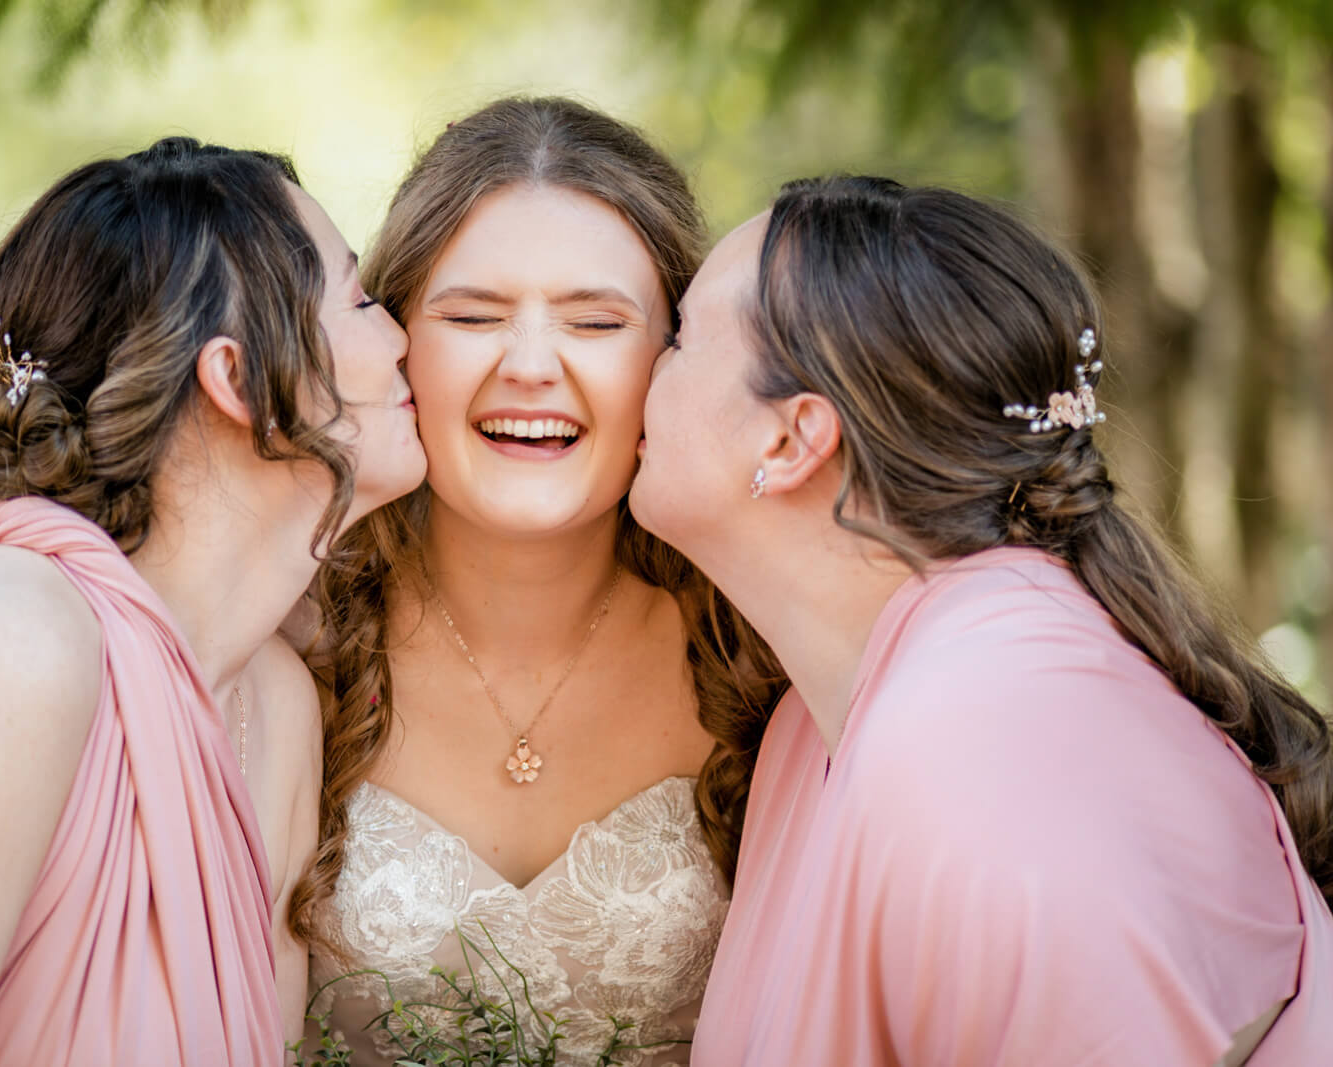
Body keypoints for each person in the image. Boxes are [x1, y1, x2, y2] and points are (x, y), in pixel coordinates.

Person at [0, 136, 425, 1066]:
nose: (402, 337)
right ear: (238, 381)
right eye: (363, 298)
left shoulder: (276, 709)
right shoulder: (0, 646)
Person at [631, 175, 1333, 1065]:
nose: (642, 366)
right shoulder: (821, 722)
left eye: (681, 334)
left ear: (791, 438)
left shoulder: (992, 750)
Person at [290, 97, 783, 1064]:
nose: (528, 367)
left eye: (595, 322)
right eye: (472, 316)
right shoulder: (286, 648)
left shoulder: (761, 652)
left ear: (676, 356)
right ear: (393, 344)